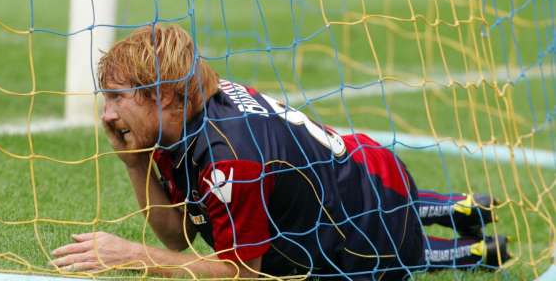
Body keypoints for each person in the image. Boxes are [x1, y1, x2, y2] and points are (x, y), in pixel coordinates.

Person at [50, 24, 510, 280]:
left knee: (402, 255)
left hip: (367, 218)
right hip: (358, 171)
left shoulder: (227, 158)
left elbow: (243, 275)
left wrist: (132, 255)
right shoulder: (189, 110)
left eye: (116, 97)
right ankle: (452, 206)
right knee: (316, 222)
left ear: (165, 96)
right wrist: (134, 163)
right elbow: (178, 237)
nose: (106, 113)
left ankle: (467, 248)